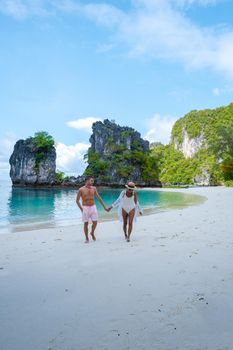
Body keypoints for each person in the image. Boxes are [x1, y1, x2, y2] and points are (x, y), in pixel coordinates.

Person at [76, 176, 108, 243]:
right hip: (85, 208)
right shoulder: (81, 189)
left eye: (93, 181)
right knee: (86, 223)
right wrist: (81, 208)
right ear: (87, 180)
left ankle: (92, 232)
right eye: (91, 180)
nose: (92, 182)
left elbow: (99, 198)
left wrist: (104, 207)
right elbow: (77, 200)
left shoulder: (94, 188)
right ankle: (87, 238)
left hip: (93, 207)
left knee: (95, 222)